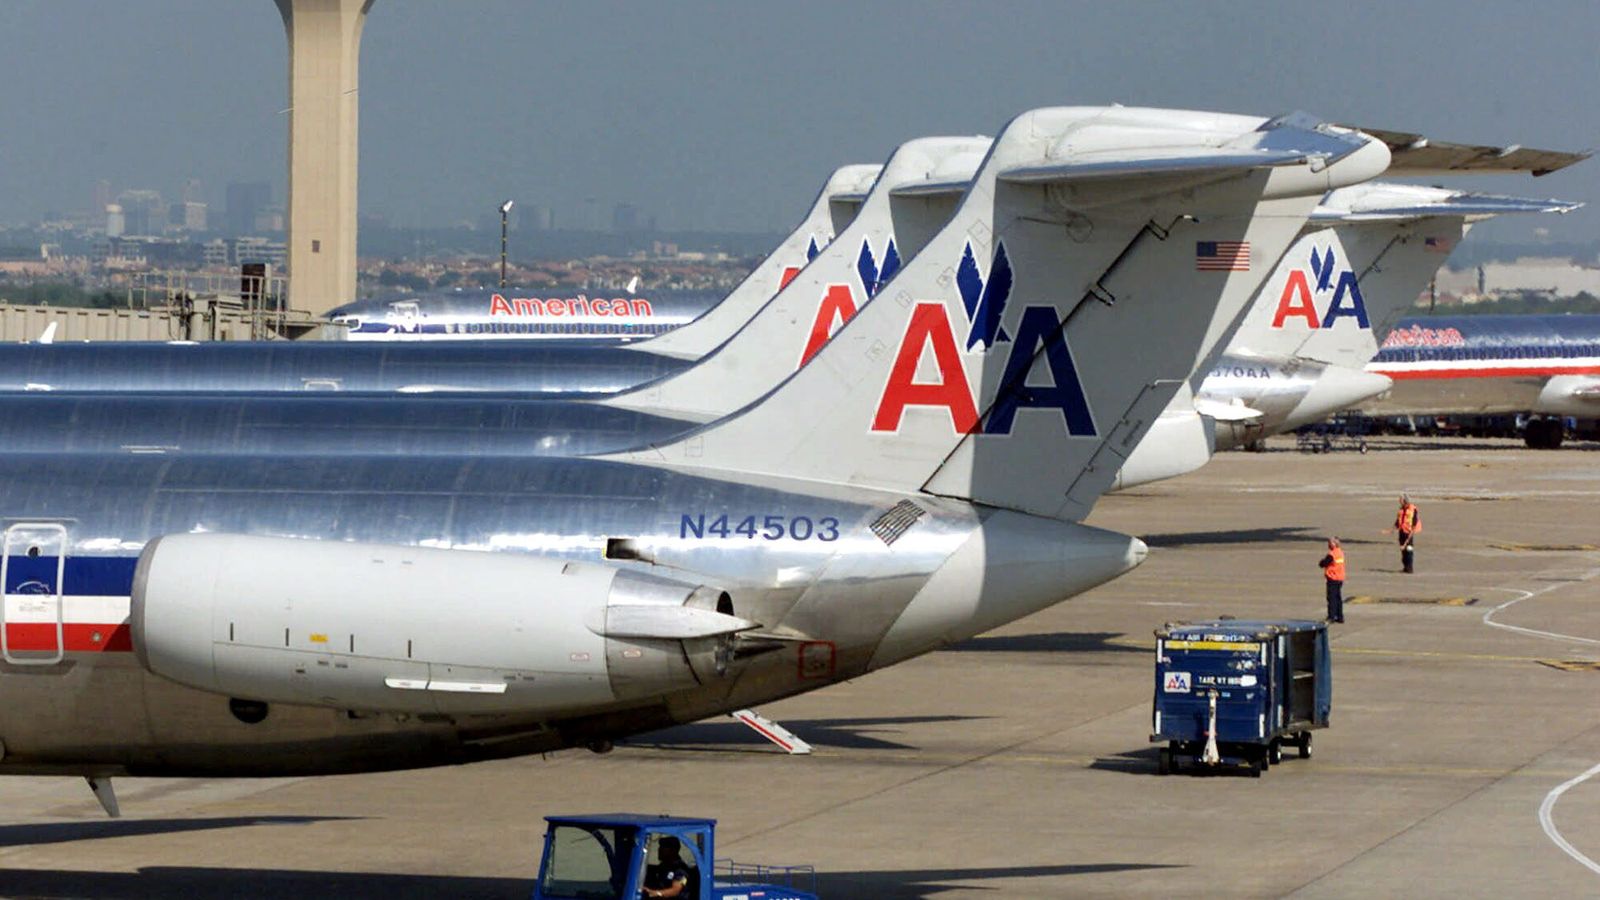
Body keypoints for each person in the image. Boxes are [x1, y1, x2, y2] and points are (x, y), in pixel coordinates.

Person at [1386, 494, 1421, 573]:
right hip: (1402, 532)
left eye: (1401, 500)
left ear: (1405, 500)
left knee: (1409, 549)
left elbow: (1415, 520)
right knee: (1403, 551)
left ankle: (1410, 568)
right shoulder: (1401, 509)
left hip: (1409, 532)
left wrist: (1412, 530)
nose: (1399, 501)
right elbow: (1398, 520)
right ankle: (1405, 567)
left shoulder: (1413, 509)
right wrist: (1392, 529)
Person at [1318, 537, 1345, 623]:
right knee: (1338, 598)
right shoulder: (1340, 552)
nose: (1328, 545)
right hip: (1339, 578)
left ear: (1334, 544)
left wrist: (1321, 562)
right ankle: (1340, 616)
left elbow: (1323, 563)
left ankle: (1331, 616)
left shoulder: (1332, 554)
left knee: (1332, 598)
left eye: (1330, 543)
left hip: (1333, 578)